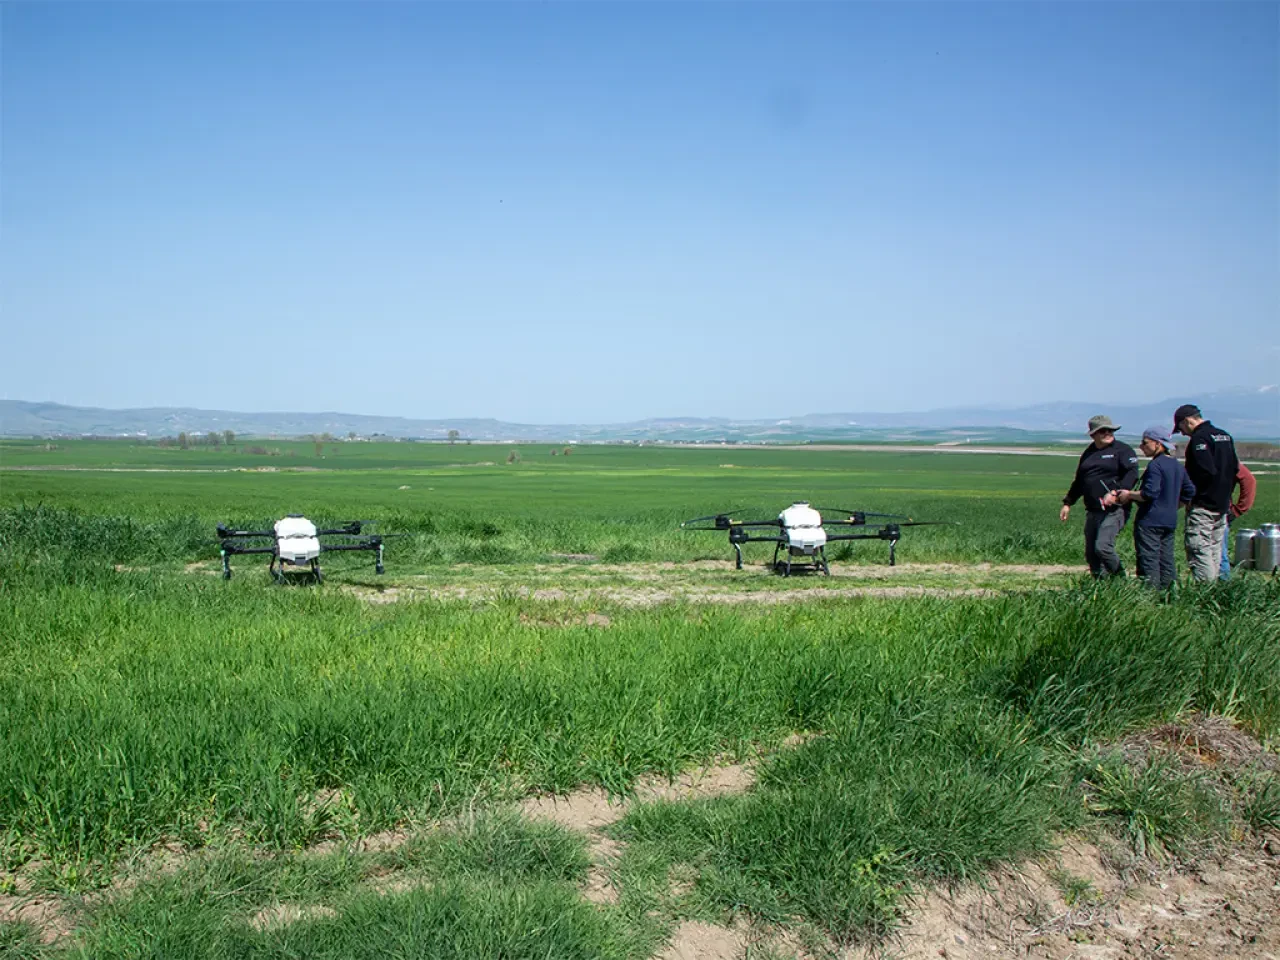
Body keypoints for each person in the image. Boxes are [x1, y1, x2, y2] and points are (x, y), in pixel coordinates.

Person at [1114, 427, 1195, 589]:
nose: (1141, 446)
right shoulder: (1177, 466)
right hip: (1169, 520)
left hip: (1150, 520)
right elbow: (1190, 491)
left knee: (1148, 559)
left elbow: (1149, 493)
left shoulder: (1155, 466)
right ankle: (1169, 593)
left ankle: (1150, 595)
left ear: (1158, 444)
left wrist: (1129, 494)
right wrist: (1174, 506)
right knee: (1166, 559)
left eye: (1145, 443)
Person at [1060, 415, 1140, 577]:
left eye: (1110, 430)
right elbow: (1080, 481)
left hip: (1115, 509)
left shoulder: (1123, 451)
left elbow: (1132, 475)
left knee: (1103, 546)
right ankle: (1100, 585)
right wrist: (1068, 503)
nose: (1107, 433)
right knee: (1091, 552)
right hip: (1093, 509)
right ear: (1093, 435)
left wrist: (1116, 492)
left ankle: (1120, 579)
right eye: (1102, 431)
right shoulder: (1089, 454)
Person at [1172, 404, 1239, 582]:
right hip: (1222, 504)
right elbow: (1234, 469)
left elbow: (1204, 471)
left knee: (1199, 550)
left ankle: (1205, 591)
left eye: (1182, 428)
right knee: (1215, 550)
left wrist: (1190, 496)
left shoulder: (1199, 439)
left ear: (1187, 421)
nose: (1184, 433)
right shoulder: (1225, 436)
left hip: (1203, 505)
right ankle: (1216, 590)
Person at [1219, 462, 1257, 579]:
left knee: (1220, 554)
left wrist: (1239, 509)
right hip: (1203, 511)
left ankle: (1223, 587)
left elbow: (1249, 480)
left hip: (1221, 512)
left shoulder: (1227, 460)